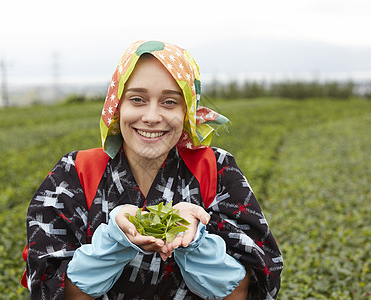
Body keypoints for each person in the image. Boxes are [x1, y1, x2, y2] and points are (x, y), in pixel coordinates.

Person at [23, 40, 283, 299]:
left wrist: (195, 244)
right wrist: (114, 240)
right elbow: (51, 289)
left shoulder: (216, 170)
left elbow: (248, 288)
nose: (151, 116)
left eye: (169, 102)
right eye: (137, 99)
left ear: (187, 111)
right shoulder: (75, 174)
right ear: (116, 106)